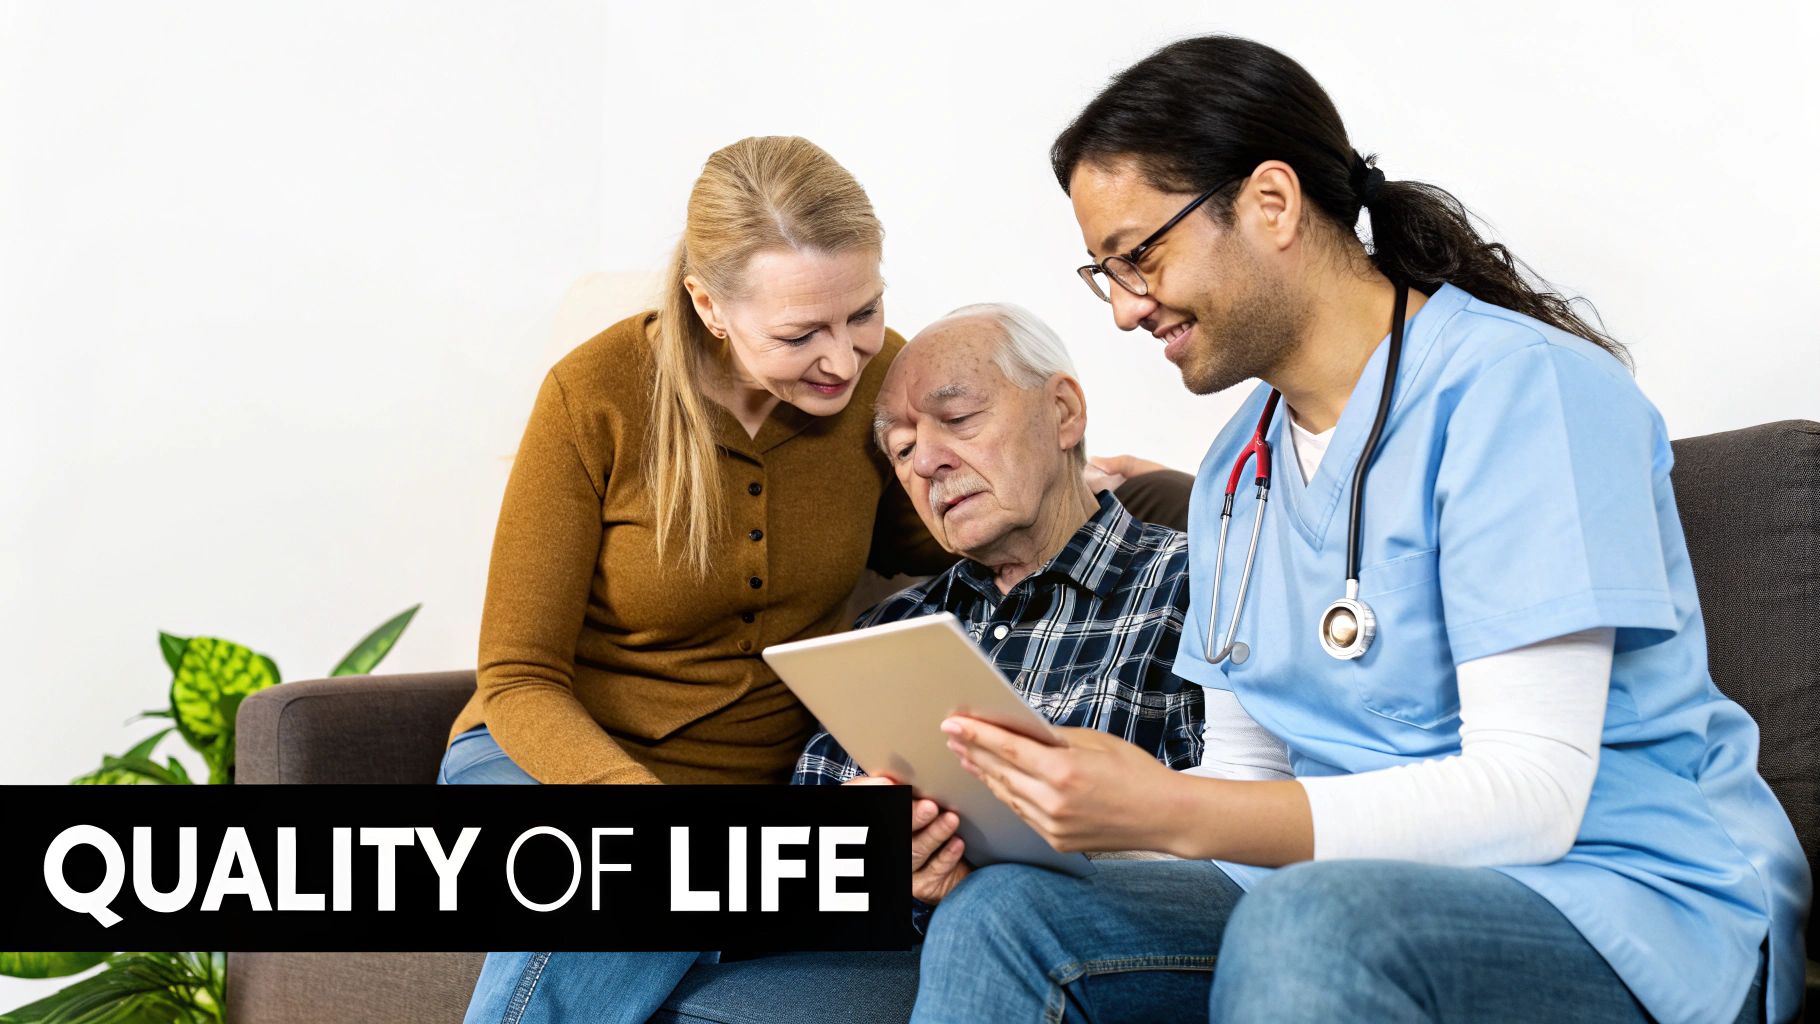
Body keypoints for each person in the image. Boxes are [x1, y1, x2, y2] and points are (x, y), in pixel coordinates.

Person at [916, 36, 1809, 1024]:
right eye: (1104, 272)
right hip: (1325, 892)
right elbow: (1240, 778)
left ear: (1270, 203)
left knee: (1309, 921)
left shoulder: (1522, 393)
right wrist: (1043, 808)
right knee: (1009, 913)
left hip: (1617, 896)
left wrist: (1168, 809)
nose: (1126, 307)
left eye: (1141, 255)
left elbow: (1532, 793)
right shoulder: (1233, 472)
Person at [525, 303, 1208, 1024]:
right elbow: (807, 853)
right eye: (902, 448)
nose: (928, 461)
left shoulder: (1194, 585)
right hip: (895, 940)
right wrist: (860, 858)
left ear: (1064, 412)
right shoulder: (892, 630)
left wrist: (1004, 869)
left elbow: (1228, 832)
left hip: (1092, 933)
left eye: (960, 419)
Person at [445, 135, 960, 1023]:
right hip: (548, 764)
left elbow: (937, 539)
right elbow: (518, 679)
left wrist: (1044, 474)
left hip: (755, 802)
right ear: (709, 306)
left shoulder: (878, 382)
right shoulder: (594, 396)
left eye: (864, 312)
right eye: (800, 334)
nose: (844, 358)